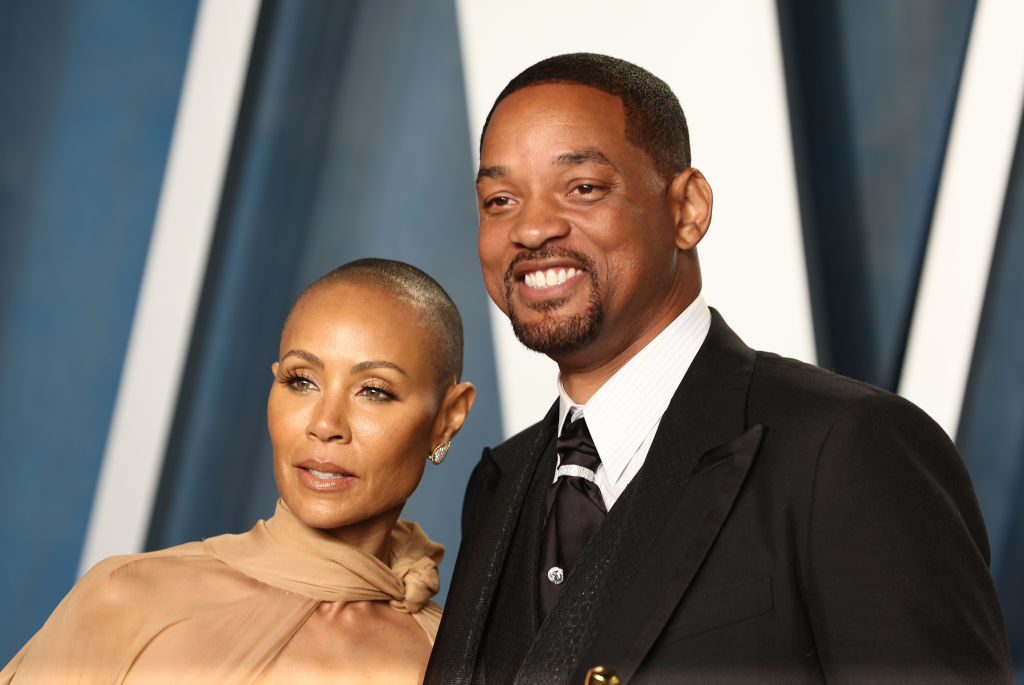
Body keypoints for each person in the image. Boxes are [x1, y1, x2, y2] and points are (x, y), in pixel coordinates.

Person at [427, 53, 1013, 683]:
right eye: (500, 199)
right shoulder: (499, 484)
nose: (532, 228)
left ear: (687, 210)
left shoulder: (849, 447)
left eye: (583, 188)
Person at [2, 258, 476, 684]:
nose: (325, 425)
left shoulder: (451, 662)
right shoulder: (125, 597)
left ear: (447, 419)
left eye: (373, 391)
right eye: (301, 381)